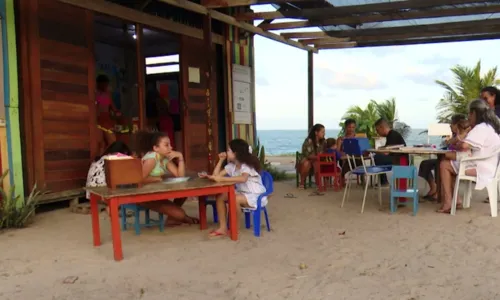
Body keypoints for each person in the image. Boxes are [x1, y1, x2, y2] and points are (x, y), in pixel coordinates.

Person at [437, 99, 500, 213]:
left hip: (481, 168)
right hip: (490, 167)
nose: (469, 117)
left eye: (469, 114)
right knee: (450, 163)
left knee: (444, 164)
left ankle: (448, 202)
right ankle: (456, 200)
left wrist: (460, 141)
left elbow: (465, 146)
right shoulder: (491, 127)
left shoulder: (481, 128)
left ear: (474, 113)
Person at [204, 139, 267, 237]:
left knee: (234, 198)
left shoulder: (246, 165)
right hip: (242, 192)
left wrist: (222, 179)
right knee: (220, 196)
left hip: (255, 195)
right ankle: (223, 228)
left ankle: (234, 228)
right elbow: (216, 176)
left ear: (236, 153)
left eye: (229, 150)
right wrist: (220, 161)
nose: (226, 152)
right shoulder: (231, 166)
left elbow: (243, 178)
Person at [134, 130, 199, 225]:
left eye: (170, 145)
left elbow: (180, 176)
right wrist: (157, 179)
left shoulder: (164, 158)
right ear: (156, 148)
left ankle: (173, 218)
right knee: (180, 214)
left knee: (184, 193)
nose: (171, 147)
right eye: (166, 145)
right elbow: (139, 180)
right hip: (145, 195)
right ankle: (183, 218)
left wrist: (180, 157)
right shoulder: (151, 159)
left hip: (156, 192)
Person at [418, 114, 466, 201]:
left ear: (457, 125)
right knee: (425, 164)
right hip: (448, 158)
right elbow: (445, 145)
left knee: (439, 164)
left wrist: (450, 143)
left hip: (455, 160)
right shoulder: (454, 136)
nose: (450, 126)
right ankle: (434, 188)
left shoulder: (462, 137)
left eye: (452, 123)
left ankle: (439, 193)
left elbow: (456, 148)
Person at [373, 118, 407, 185]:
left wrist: (377, 150)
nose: (377, 132)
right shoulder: (391, 135)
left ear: (381, 127)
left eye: (377, 130)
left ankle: (384, 181)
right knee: (379, 157)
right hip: (397, 158)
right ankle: (383, 180)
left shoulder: (392, 135)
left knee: (378, 158)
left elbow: (386, 151)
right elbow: (387, 148)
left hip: (400, 160)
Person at [96, 75, 121, 152]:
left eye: (106, 84)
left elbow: (113, 106)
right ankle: (100, 159)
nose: (106, 86)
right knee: (100, 143)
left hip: (106, 120)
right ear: (99, 84)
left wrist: (117, 113)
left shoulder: (107, 94)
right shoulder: (95, 93)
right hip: (97, 120)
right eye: (104, 84)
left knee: (112, 141)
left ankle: (109, 158)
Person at [297, 124, 326, 189]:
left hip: (317, 160)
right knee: (307, 163)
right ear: (316, 132)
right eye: (322, 132)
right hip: (307, 159)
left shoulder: (323, 141)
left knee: (317, 162)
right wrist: (317, 157)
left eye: (324, 132)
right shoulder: (308, 141)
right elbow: (307, 155)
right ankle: (302, 182)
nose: (324, 133)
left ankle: (318, 184)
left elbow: (324, 152)